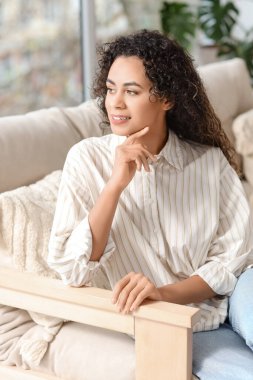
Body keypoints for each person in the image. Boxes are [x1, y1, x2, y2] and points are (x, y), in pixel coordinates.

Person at [48, 30, 253, 379]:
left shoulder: (209, 161)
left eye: (131, 91)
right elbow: (72, 268)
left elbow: (234, 260)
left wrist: (162, 291)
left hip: (234, 295)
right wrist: (115, 184)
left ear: (167, 98)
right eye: (111, 89)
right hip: (172, 320)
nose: (115, 102)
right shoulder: (86, 160)